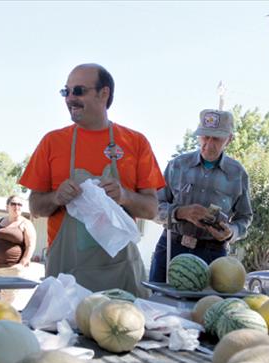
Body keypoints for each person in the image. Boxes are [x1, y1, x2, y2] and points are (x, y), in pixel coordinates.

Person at [19, 63, 165, 298]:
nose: (69, 99)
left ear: (103, 93)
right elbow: (35, 207)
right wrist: (57, 197)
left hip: (121, 277)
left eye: (78, 91)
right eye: (66, 92)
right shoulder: (52, 142)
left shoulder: (136, 143)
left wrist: (124, 195)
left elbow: (151, 209)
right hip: (67, 278)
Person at [148, 109, 253, 282]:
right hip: (171, 248)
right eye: (205, 137)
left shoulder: (238, 174)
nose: (209, 144)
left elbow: (245, 217)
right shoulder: (177, 165)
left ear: (229, 139)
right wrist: (179, 213)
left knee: (205, 308)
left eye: (216, 138)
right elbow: (153, 206)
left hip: (213, 254)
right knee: (159, 305)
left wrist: (230, 233)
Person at [0, 194, 38, 304]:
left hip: (12, 270)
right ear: (7, 207)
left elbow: (31, 245)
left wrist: (22, 263)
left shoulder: (25, 223)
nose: (17, 206)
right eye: (13, 204)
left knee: (6, 304)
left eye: (20, 204)